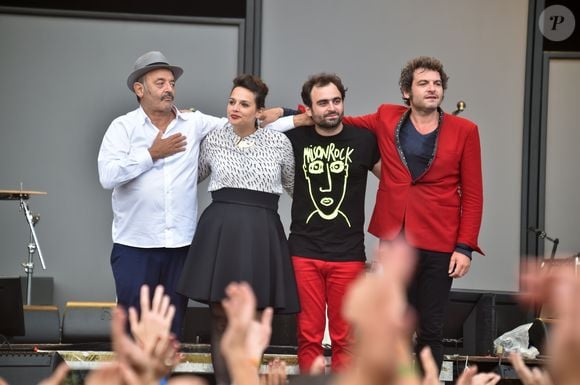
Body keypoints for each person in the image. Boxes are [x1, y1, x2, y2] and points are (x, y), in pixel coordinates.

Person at [98, 51, 299, 338]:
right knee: (133, 328)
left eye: (171, 83)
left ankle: (164, 383)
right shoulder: (122, 128)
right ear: (139, 89)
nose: (169, 89)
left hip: (179, 245)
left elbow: (246, 125)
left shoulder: (194, 123)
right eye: (160, 83)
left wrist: (294, 117)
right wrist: (151, 154)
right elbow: (107, 176)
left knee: (171, 331)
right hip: (135, 245)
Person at [341, 56, 484, 370]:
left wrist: (464, 247)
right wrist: (291, 115)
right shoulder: (386, 116)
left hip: (440, 240)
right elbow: (341, 122)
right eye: (424, 83)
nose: (432, 89)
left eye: (437, 84)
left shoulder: (465, 130)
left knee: (430, 329)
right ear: (407, 92)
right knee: (392, 325)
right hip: (396, 239)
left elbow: (473, 195)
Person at [177, 74, 302, 385]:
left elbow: (294, 188)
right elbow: (187, 178)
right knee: (220, 315)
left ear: (259, 111)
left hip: (262, 232)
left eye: (244, 104)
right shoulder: (214, 138)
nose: (234, 108)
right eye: (232, 101)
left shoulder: (279, 142)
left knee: (254, 318)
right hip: (220, 230)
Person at [284, 73, 380, 373]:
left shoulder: (363, 140)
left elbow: (397, 183)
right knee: (308, 336)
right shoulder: (293, 139)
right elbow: (259, 128)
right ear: (308, 109)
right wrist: (287, 117)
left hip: (348, 255)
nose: (331, 108)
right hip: (303, 251)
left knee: (346, 338)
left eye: (336, 101)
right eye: (322, 103)